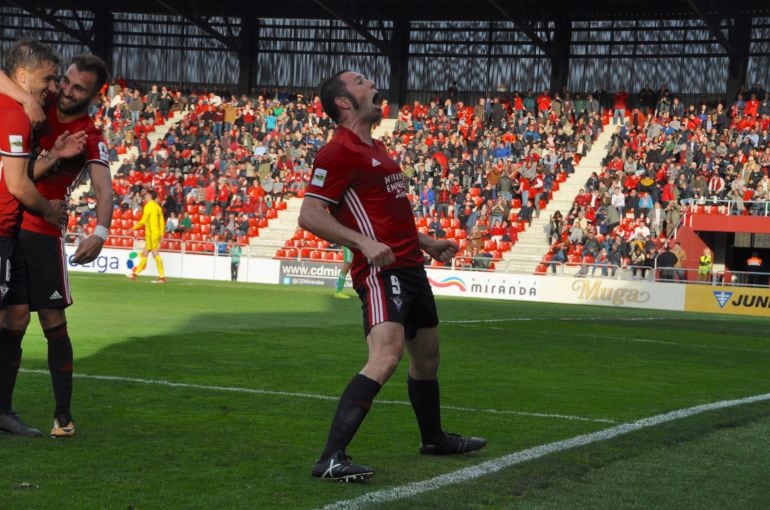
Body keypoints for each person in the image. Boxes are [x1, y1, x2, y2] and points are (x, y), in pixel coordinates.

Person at [299, 70, 486, 482]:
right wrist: (362, 245)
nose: (373, 86)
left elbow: (388, 217)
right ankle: (330, 457)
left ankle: (433, 438)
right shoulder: (337, 152)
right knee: (385, 356)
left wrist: (425, 242)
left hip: (410, 265)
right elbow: (310, 214)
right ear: (344, 102)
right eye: (362, 82)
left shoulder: (378, 149)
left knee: (428, 357)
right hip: (382, 270)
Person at [0, 53, 112, 438]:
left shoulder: (90, 134)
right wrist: (30, 100)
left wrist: (100, 231)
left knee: (52, 321)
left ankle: (63, 417)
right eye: (64, 80)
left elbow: (103, 187)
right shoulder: (35, 104)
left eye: (78, 87)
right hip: (13, 225)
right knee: (11, 319)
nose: (65, 90)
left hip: (44, 233)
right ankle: (4, 411)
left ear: (95, 94)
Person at [0, 39, 69, 436]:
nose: (51, 86)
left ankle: (3, 410)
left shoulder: (16, 109)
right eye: (47, 78)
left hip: (9, 233)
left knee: (16, 315)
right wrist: (49, 210)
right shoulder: (13, 112)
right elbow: (18, 185)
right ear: (23, 75)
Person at [129, 189, 166, 283]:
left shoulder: (148, 206)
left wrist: (133, 228)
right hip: (154, 233)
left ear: (150, 196)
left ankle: (162, 277)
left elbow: (143, 220)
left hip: (152, 234)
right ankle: (135, 274)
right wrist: (161, 234)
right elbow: (162, 222)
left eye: (146, 195)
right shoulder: (158, 207)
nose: (145, 196)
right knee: (145, 253)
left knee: (155, 253)